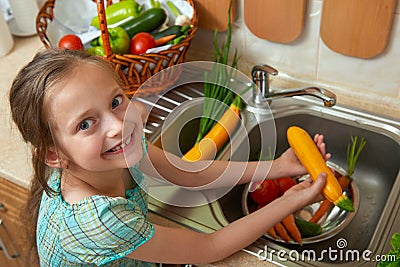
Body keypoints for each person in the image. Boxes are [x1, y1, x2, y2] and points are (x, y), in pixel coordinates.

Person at [9, 49, 329, 267]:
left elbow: (188, 172)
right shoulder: (103, 220)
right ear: (54, 155)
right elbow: (209, 249)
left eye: (116, 101)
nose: (118, 125)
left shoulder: (113, 151)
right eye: (85, 124)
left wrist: (277, 167)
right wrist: (290, 200)